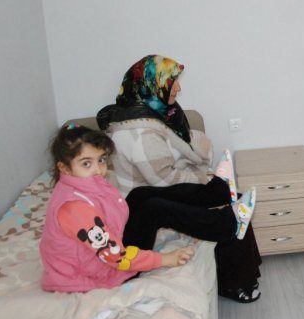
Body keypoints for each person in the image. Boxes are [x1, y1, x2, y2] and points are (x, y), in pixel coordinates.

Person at [97, 55, 262, 303]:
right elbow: (165, 179)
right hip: (145, 201)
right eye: (171, 82)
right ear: (151, 85)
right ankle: (234, 270)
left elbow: (171, 158)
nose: (178, 88)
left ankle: (220, 198)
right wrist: (200, 173)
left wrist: (196, 167)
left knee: (150, 197)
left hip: (144, 193)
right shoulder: (138, 132)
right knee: (169, 205)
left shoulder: (159, 116)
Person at [39, 124, 255, 293]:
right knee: (154, 209)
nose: (99, 170)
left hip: (97, 257)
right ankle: (225, 225)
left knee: (139, 194)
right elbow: (116, 257)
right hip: (102, 271)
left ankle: (216, 192)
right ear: (64, 167)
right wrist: (165, 259)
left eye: (101, 160)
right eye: (86, 163)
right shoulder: (74, 209)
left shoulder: (79, 183)